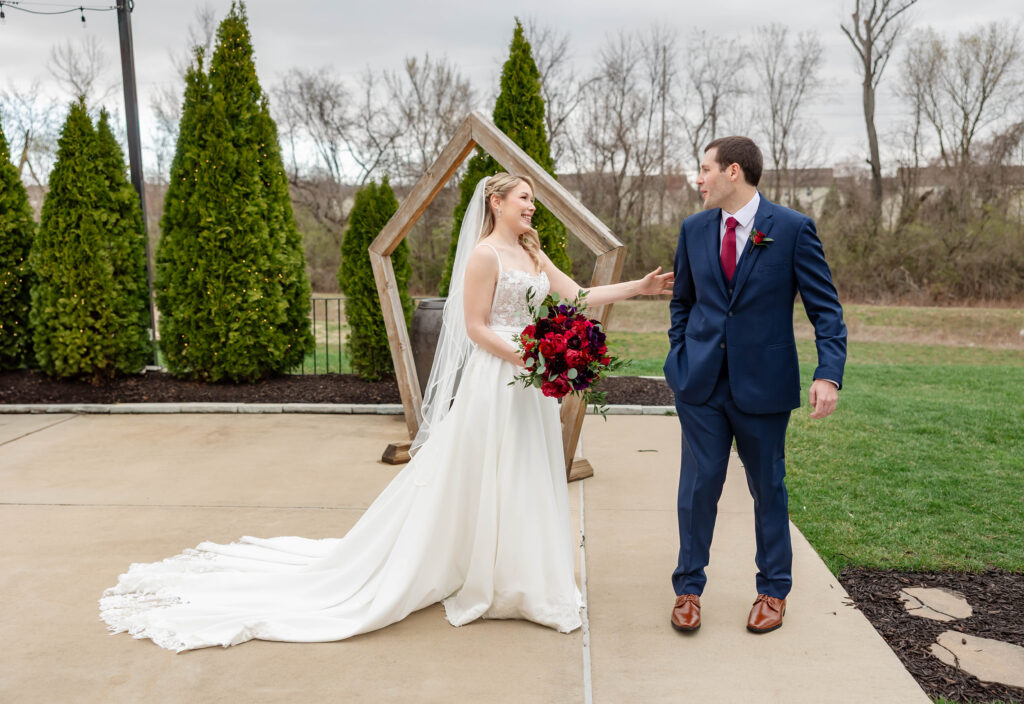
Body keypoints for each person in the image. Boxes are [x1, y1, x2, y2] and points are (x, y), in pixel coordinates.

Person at [100, 172, 672, 651]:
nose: (531, 207)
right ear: (496, 202)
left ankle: (526, 579)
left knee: (526, 473)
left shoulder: (531, 251)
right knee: (482, 473)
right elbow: (474, 328)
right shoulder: (483, 256)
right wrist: (532, 351)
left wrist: (637, 288)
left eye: (532, 201)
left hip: (529, 383)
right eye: (524, 198)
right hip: (499, 378)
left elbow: (573, 297)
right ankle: (480, 575)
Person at [663, 137, 846, 635]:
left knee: (768, 489)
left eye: (705, 169)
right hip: (699, 384)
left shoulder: (790, 230)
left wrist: (828, 373)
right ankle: (688, 589)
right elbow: (683, 301)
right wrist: (679, 353)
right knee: (698, 488)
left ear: (734, 172)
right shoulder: (694, 229)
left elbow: (825, 310)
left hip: (764, 387)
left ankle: (773, 590)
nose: (698, 179)